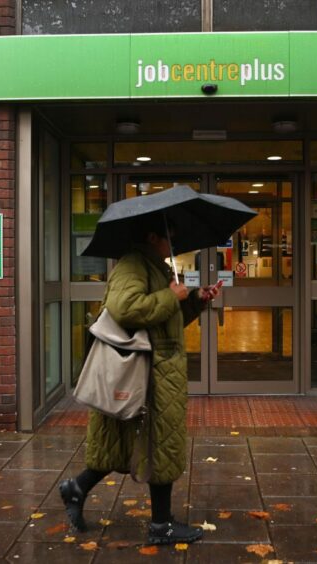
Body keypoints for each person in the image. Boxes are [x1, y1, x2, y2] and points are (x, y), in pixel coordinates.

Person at [59, 217, 220, 545]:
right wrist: (171, 297)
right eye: (169, 238)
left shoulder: (154, 265)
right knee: (160, 444)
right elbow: (125, 308)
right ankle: (161, 526)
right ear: (151, 236)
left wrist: (195, 301)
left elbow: (163, 320)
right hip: (148, 372)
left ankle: (76, 489)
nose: (172, 244)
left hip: (158, 371)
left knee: (138, 444)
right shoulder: (133, 265)